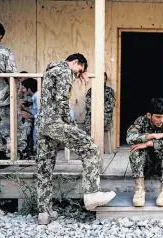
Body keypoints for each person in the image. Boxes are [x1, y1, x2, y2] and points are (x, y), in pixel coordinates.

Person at [35, 53, 116, 225]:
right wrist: (71, 126)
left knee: (44, 168)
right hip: (55, 122)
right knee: (90, 148)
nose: (79, 74)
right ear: (75, 62)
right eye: (80, 69)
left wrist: (79, 74)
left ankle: (44, 212)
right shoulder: (65, 72)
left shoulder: (51, 70)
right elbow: (62, 102)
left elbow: (55, 94)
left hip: (42, 123)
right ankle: (92, 193)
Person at [126, 98, 163, 207]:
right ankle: (139, 190)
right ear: (149, 115)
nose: (162, 120)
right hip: (145, 166)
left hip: (161, 167)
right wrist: (152, 136)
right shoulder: (141, 121)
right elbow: (129, 138)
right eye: (158, 117)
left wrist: (148, 143)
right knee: (135, 151)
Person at [0, 21, 27, 160]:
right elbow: (12, 74)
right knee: (9, 123)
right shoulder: (4, 51)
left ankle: (0, 155)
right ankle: (16, 153)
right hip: (3, 95)